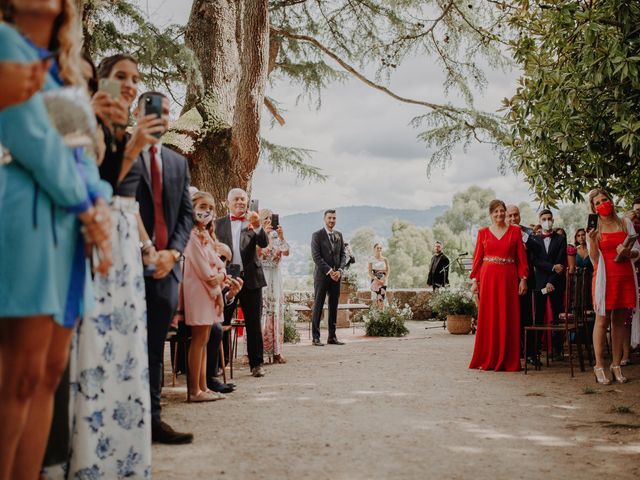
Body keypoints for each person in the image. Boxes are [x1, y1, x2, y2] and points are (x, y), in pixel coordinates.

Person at [0, 2, 112, 478]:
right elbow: (32, 140)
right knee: (16, 377)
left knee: (47, 375)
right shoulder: (3, 42)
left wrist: (101, 202)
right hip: (28, 217)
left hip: (71, 229)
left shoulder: (68, 73)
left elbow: (85, 151)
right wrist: (87, 206)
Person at [50, 53, 160, 479]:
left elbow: (111, 186)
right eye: (120, 77)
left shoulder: (117, 132)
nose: (129, 85)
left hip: (120, 255)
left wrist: (129, 145)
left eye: (135, 78)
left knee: (117, 358)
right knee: (87, 355)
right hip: (86, 248)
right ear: (100, 83)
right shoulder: (78, 120)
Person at [135, 91, 194, 443]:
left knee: (155, 347)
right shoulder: (122, 155)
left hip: (167, 269)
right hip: (130, 264)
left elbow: (186, 215)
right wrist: (145, 250)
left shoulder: (177, 163)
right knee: (128, 345)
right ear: (138, 113)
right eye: (154, 110)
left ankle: (154, 420)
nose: (162, 117)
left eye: (167, 112)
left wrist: (172, 253)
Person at [215, 189, 270, 377]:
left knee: (254, 322)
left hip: (252, 277)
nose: (240, 202)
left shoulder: (252, 221)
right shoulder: (218, 224)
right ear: (228, 202)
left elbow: (263, 243)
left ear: (247, 202)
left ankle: (256, 364)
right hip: (228, 276)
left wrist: (257, 226)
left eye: (243, 199)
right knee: (223, 320)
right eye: (236, 199)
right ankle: (222, 362)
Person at [587, 189, 640, 384]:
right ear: (593, 207)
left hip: (624, 275)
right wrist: (592, 240)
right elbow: (593, 259)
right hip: (604, 277)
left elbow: (637, 252)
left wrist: (628, 252)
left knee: (619, 321)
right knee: (602, 321)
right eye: (598, 202)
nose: (602, 203)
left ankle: (616, 364)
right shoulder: (594, 228)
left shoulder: (625, 223)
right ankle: (599, 365)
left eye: (605, 199)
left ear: (611, 200)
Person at [469, 200, 528, 372]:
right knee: (489, 316)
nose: (500, 214)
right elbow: (477, 259)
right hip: (488, 279)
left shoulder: (515, 231)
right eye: (496, 211)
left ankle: (507, 358)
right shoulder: (483, 232)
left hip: (509, 278)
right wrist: (475, 281)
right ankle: (488, 357)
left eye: (502, 211)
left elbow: (521, 258)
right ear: (490, 214)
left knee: (508, 316)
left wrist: (523, 278)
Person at [183, 191, 226, 401]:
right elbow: (202, 268)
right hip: (199, 290)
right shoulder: (190, 235)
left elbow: (217, 261)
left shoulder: (206, 234)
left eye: (210, 208)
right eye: (202, 207)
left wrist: (222, 273)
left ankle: (203, 386)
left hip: (209, 289)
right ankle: (194, 390)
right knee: (198, 339)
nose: (207, 212)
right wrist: (216, 283)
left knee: (206, 337)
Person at [529, 209, 567, 359]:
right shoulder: (535, 240)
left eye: (549, 218)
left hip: (556, 283)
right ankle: (536, 350)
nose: (547, 221)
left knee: (557, 316)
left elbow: (560, 261)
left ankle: (558, 349)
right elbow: (535, 261)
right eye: (544, 218)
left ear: (553, 219)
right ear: (539, 220)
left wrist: (551, 281)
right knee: (538, 316)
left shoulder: (560, 239)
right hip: (540, 283)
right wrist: (551, 268)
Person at [506, 204, 538, 366]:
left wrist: (525, 242)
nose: (513, 218)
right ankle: (513, 352)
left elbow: (538, 249)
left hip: (525, 280)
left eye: (515, 215)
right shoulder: (502, 231)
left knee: (526, 317)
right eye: (510, 216)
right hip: (506, 281)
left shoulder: (529, 232)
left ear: (520, 216)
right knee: (509, 318)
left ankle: (531, 353)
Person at [310, 209, 348, 346]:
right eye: (329, 218)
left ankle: (332, 336)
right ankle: (315, 337)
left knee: (334, 306)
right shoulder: (317, 235)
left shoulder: (339, 235)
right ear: (324, 219)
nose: (332, 220)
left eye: (334, 218)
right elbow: (316, 257)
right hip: (322, 276)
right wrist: (329, 271)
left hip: (337, 277)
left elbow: (343, 255)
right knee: (318, 305)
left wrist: (340, 270)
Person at [258, 208, 290, 363]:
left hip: (275, 278)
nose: (269, 221)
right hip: (262, 276)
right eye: (266, 218)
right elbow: (258, 253)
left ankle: (276, 351)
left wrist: (282, 237)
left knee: (275, 312)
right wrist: (264, 235)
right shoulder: (257, 236)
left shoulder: (278, 238)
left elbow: (287, 251)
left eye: (271, 218)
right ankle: (252, 352)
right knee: (260, 313)